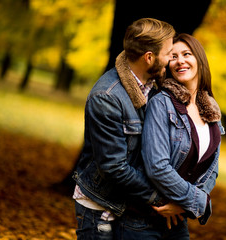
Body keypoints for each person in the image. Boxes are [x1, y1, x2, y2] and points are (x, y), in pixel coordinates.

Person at [72, 18, 176, 239]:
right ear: (149, 57)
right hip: (100, 207)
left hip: (129, 205)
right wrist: (160, 197)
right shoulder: (107, 97)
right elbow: (114, 166)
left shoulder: (153, 86)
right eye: (168, 53)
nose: (171, 59)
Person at [123, 33, 224, 239]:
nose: (180, 61)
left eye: (187, 54)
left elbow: (212, 169)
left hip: (177, 220)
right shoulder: (161, 103)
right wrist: (197, 202)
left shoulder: (211, 109)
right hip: (142, 219)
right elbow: (157, 166)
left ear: (199, 59)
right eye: (173, 56)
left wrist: (183, 205)